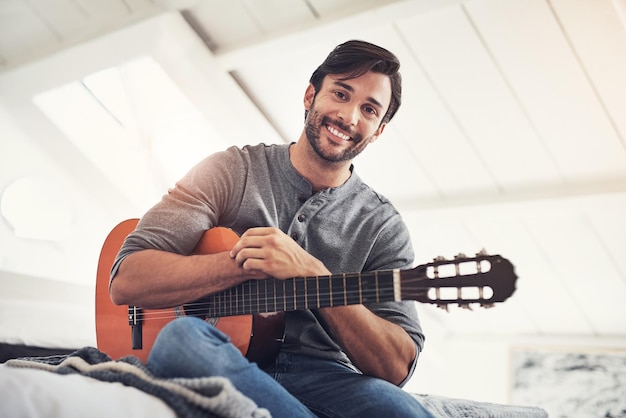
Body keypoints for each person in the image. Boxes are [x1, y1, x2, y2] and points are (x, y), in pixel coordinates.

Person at [109, 40, 433, 418]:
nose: (349, 116)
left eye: (369, 109)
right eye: (341, 94)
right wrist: (241, 264)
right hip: (219, 350)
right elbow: (126, 280)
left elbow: (395, 367)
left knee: (405, 413)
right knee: (181, 338)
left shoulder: (383, 226)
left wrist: (313, 273)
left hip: (325, 375)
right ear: (310, 95)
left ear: (378, 130)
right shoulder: (231, 169)